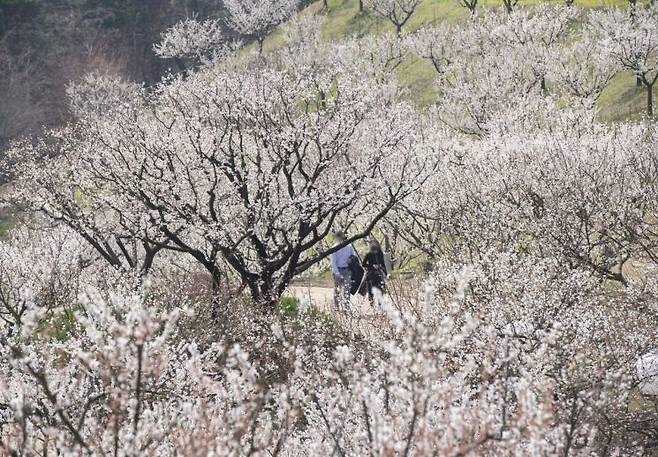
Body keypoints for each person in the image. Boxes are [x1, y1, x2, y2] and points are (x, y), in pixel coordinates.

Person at [330, 231, 354, 309]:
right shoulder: (334, 247)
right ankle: (337, 306)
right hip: (338, 270)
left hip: (347, 270)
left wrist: (351, 262)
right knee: (337, 289)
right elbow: (333, 262)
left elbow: (352, 257)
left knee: (347, 289)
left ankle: (346, 307)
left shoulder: (349, 246)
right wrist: (337, 273)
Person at [362, 238, 387, 304]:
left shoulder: (380, 253)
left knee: (380, 288)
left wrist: (386, 273)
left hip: (379, 273)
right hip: (371, 273)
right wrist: (372, 265)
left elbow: (383, 263)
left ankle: (380, 303)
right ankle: (371, 302)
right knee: (370, 290)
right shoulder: (368, 254)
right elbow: (363, 264)